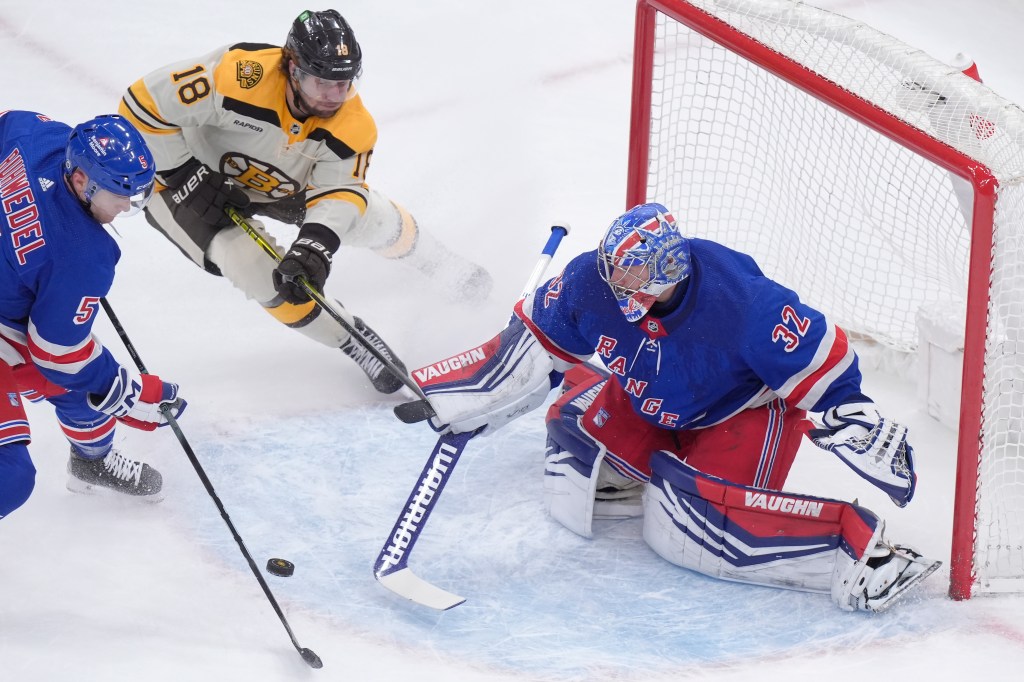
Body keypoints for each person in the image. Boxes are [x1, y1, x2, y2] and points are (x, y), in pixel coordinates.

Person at [401, 202, 940, 613]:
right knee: (571, 446)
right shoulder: (594, 278)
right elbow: (529, 346)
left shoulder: (747, 305)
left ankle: (863, 555)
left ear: (667, 273)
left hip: (741, 413)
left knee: (697, 530)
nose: (616, 287)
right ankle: (651, 474)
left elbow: (824, 362)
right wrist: (467, 395)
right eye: (615, 271)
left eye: (632, 278)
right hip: (650, 397)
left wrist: (851, 412)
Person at [117, 9, 493, 395]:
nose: (334, 96)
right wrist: (183, 174)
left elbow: (341, 193)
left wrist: (317, 246)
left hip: (280, 180)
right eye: (321, 82)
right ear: (292, 69)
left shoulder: (353, 124)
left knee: (372, 216)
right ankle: (350, 339)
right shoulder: (236, 76)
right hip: (180, 185)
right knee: (254, 270)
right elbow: (141, 105)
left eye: (344, 83)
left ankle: (438, 262)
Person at [0, 110, 187, 518]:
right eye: (118, 194)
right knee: (12, 472)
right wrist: (123, 389)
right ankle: (94, 458)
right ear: (81, 180)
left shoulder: (38, 137)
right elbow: (57, 353)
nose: (126, 205)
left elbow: (5, 120)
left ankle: (93, 461)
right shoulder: (83, 258)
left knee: (76, 387)